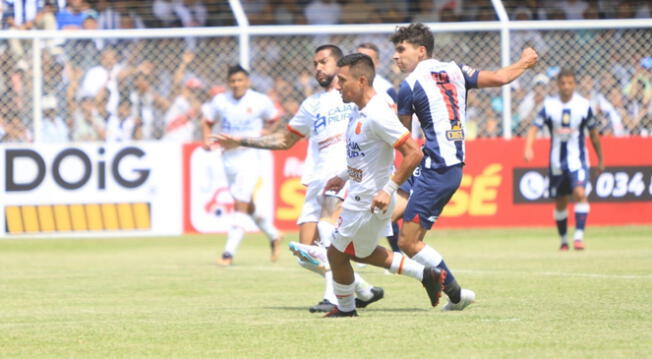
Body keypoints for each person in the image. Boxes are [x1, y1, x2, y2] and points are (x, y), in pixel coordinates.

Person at [213, 45, 383, 314]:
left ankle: (335, 298)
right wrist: (243, 141)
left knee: (328, 234)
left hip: (341, 175)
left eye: (324, 62)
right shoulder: (311, 104)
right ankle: (362, 289)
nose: (318, 68)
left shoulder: (352, 96)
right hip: (316, 178)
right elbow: (285, 139)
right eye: (315, 63)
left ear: (339, 65)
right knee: (306, 254)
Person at [391, 23, 538, 310]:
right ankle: (379, 269)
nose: (396, 57)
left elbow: (400, 138)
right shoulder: (456, 69)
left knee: (408, 242)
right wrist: (525, 62)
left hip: (435, 168)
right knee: (386, 214)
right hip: (445, 165)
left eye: (401, 50)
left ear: (420, 51)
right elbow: (498, 77)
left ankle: (455, 293)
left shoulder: (408, 87)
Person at [322, 53, 445, 317]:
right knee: (361, 252)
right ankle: (426, 274)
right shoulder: (358, 111)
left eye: (342, 80)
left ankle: (345, 309)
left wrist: (387, 191)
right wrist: (343, 175)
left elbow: (414, 153)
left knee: (336, 254)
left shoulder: (378, 113)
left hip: (367, 200)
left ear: (362, 80)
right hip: (362, 195)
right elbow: (365, 153)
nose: (337, 85)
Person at [202, 65, 283, 266]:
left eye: (240, 80)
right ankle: (274, 235)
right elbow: (207, 121)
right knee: (246, 204)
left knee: (240, 203)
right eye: (233, 81)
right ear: (228, 83)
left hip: (250, 154)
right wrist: (206, 139)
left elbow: (275, 118)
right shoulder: (220, 101)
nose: (237, 84)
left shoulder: (259, 100)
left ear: (248, 81)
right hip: (228, 156)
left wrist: (266, 134)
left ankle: (228, 253)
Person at [524, 68, 604, 251]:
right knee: (560, 201)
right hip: (557, 163)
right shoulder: (549, 105)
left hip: (578, 161)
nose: (566, 87)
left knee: (580, 193)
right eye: (563, 83)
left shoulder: (584, 105)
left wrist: (600, 158)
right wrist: (528, 147)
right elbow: (535, 128)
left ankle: (578, 237)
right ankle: (563, 239)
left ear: (574, 85)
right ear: (557, 85)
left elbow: (593, 135)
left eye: (570, 83)